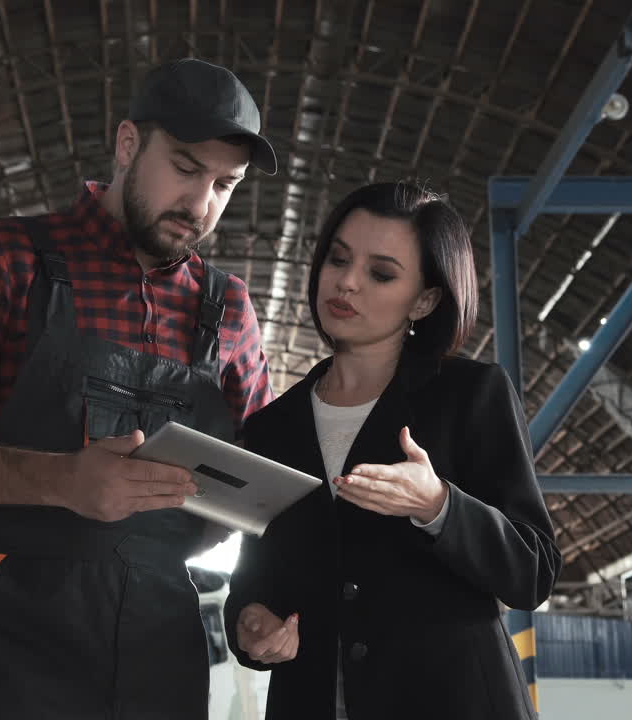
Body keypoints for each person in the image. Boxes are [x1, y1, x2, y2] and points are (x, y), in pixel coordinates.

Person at [0, 58, 278, 719]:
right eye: (187, 167)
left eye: (226, 184)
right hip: (3, 648)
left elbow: (264, 488)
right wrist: (59, 481)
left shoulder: (229, 310)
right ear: (128, 143)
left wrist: (272, 598)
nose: (201, 204)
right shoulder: (0, 259)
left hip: (161, 649)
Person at [222, 182, 561, 719]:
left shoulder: (471, 395)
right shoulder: (272, 427)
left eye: (381, 273)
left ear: (425, 299)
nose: (347, 282)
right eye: (338, 259)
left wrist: (439, 506)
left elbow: (533, 571)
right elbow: (255, 576)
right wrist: (250, 622)